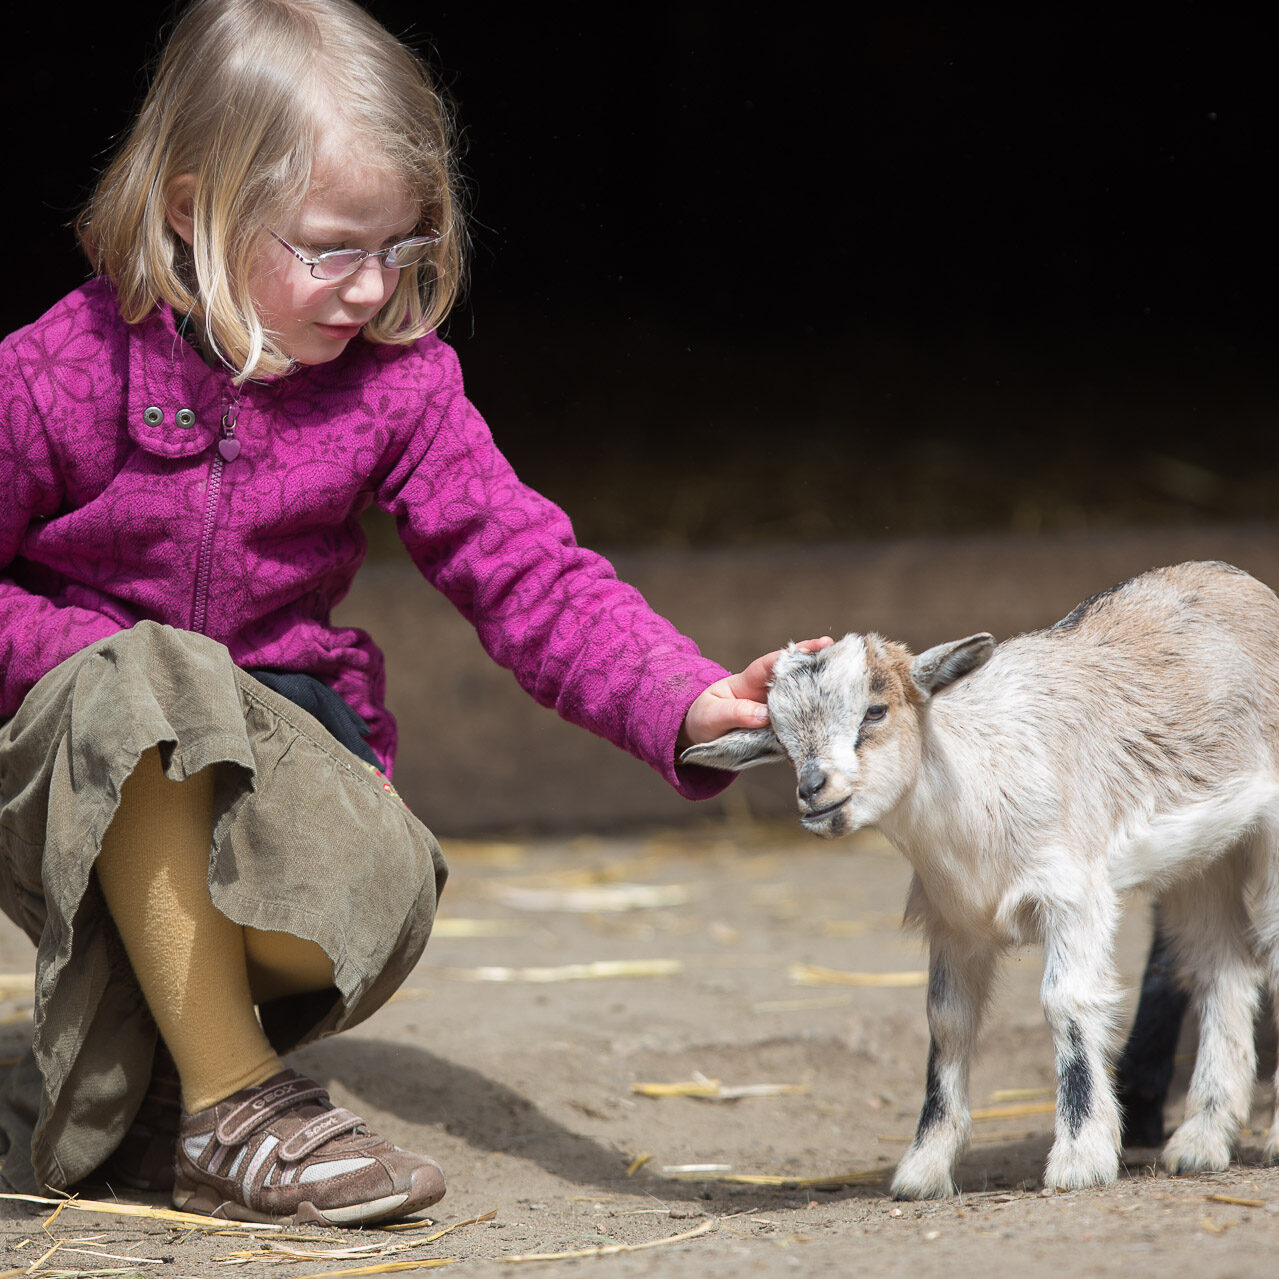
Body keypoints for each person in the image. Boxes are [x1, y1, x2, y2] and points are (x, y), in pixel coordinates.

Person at [0, 0, 825, 1228]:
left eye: (402, 245)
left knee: (387, 892)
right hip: (72, 777)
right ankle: (235, 1107)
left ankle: (146, 1077)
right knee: (148, 682)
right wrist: (107, 663)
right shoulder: (56, 374)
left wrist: (687, 698)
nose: (374, 286)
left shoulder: (397, 386)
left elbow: (525, 568)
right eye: (333, 248)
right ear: (190, 210)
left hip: (276, 754)